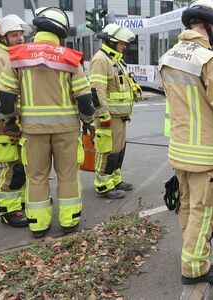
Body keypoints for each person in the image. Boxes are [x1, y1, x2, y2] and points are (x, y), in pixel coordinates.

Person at [0, 7, 95, 238]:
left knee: (36, 177)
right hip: (66, 131)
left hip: (32, 131)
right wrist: (89, 122)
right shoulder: (71, 58)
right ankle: (69, 220)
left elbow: (6, 99)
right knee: (68, 175)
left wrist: (10, 122)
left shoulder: (17, 56)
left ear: (38, 28)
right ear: (60, 31)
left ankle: (38, 224)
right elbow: (84, 99)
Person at [158, 0, 213, 285]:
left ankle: (193, 253)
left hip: (180, 150)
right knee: (206, 211)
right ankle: (195, 267)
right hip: (206, 154)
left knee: (189, 207)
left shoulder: (168, 57)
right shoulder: (209, 60)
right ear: (212, 27)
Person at [0, 14, 30, 227]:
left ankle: (20, 202)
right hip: (6, 123)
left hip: (18, 121)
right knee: (10, 166)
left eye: (21, 34)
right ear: (2, 37)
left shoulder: (14, 55)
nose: (20, 38)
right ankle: (8, 210)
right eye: (14, 35)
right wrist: (9, 124)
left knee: (21, 165)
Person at [88, 23, 140, 199]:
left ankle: (115, 180)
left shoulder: (115, 59)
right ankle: (103, 184)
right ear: (111, 42)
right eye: (121, 43)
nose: (124, 46)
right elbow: (96, 90)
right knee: (108, 151)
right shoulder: (100, 60)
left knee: (119, 150)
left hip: (120, 116)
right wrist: (103, 115)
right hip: (109, 116)